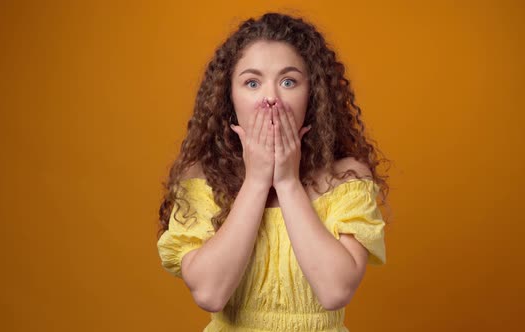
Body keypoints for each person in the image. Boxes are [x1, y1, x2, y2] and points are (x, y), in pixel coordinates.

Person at [156, 12, 391, 332]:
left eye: (288, 81)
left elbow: (335, 290)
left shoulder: (346, 180)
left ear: (313, 96)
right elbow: (210, 293)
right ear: (230, 99)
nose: (271, 98)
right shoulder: (203, 180)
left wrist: (286, 181)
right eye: (252, 82)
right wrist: (256, 181)